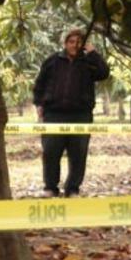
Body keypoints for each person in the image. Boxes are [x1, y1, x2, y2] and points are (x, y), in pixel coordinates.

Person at [33, 28, 110, 198]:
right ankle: (51, 187)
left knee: (78, 153)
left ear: (83, 44)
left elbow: (104, 73)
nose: (74, 45)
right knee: (51, 152)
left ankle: (73, 188)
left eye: (78, 42)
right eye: (71, 42)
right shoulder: (52, 61)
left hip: (81, 115)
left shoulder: (89, 62)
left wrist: (93, 53)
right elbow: (40, 83)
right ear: (65, 43)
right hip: (54, 115)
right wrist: (39, 103)